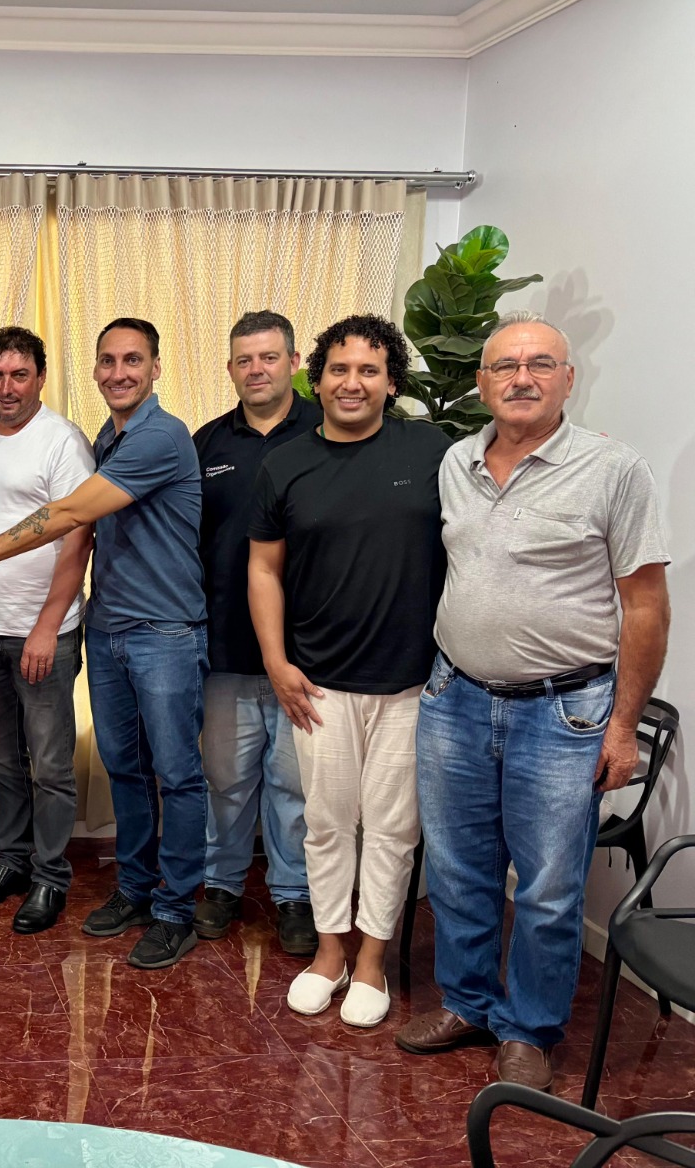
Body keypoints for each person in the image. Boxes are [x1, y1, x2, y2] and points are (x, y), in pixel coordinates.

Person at [396, 314, 670, 1091]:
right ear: (482, 382)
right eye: (506, 365)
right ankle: (468, 1003)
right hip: (454, 699)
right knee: (457, 871)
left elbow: (646, 607)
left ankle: (529, 1029)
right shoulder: (455, 462)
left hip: (563, 713)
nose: (522, 377)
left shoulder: (613, 470)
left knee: (548, 888)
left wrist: (622, 727)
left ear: (568, 379)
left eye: (541, 363)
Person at [0, 317, 208, 970]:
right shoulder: (111, 435)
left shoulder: (158, 437)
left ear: (156, 367)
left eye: (132, 360)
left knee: (175, 776)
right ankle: (134, 890)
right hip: (109, 627)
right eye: (108, 360)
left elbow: (73, 517)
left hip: (164, 632)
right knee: (124, 770)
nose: (118, 372)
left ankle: (174, 911)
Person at [246, 314, 451, 1028]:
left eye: (369, 370)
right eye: (339, 369)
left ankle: (371, 961)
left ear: (392, 383)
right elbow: (263, 568)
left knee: (393, 829)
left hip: (411, 684)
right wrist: (275, 662)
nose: (352, 382)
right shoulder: (285, 465)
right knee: (327, 823)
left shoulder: (433, 451)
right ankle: (329, 952)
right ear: (318, 378)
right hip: (319, 683)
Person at [0, 327, 93, 934]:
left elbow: (79, 536)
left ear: (39, 378)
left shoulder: (63, 441)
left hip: (45, 634)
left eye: (19, 375)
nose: (6, 387)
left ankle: (49, 877)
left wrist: (46, 626)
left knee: (50, 765)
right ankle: (11, 862)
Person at [191, 311, 320, 956]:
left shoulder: (327, 433)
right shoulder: (207, 444)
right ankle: (221, 884)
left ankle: (294, 894)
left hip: (310, 654)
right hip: (226, 649)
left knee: (295, 785)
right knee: (226, 779)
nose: (257, 369)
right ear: (230, 368)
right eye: (244, 360)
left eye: (269, 357)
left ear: (294, 363)